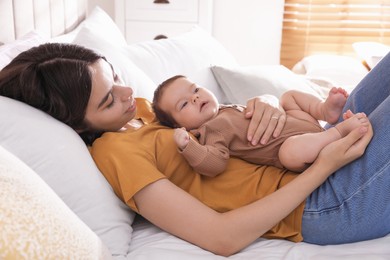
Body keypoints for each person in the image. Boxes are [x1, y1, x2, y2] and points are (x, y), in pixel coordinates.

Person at [0, 43, 388, 257]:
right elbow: (221, 238)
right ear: (80, 126)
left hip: (311, 150)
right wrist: (322, 167)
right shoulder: (114, 152)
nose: (127, 94)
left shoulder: (145, 111)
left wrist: (265, 105)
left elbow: (223, 122)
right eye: (107, 100)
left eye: (115, 75)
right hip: (325, 202)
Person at [152, 75, 366, 174]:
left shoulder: (227, 107)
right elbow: (215, 163)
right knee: (289, 153)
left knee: (288, 97)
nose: (195, 98)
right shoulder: (210, 131)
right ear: (181, 126)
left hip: (304, 125)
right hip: (302, 150)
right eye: (184, 104)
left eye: (195, 89)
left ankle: (324, 110)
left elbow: (277, 109)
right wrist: (188, 147)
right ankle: (339, 131)